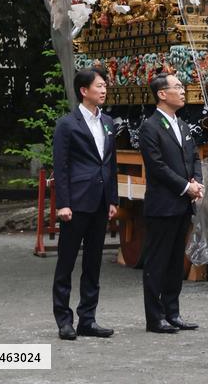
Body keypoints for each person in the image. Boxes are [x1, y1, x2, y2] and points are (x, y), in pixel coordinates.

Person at [52, 67, 118, 341]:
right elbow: (61, 166)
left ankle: (87, 319)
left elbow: (110, 163)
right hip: (76, 202)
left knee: (93, 264)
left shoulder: (109, 122)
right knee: (66, 262)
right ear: (84, 90)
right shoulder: (67, 124)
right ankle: (64, 320)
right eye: (99, 86)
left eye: (105, 86)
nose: (103, 90)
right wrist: (62, 203)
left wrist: (113, 198)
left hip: (101, 202)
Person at [139, 72, 204, 334]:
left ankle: (172, 312)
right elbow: (157, 166)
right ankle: (154, 318)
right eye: (177, 87)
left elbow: (194, 158)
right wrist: (185, 186)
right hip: (163, 204)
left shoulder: (183, 125)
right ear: (162, 94)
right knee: (157, 262)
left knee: (176, 261)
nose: (182, 90)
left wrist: (197, 182)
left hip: (182, 205)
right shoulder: (150, 126)